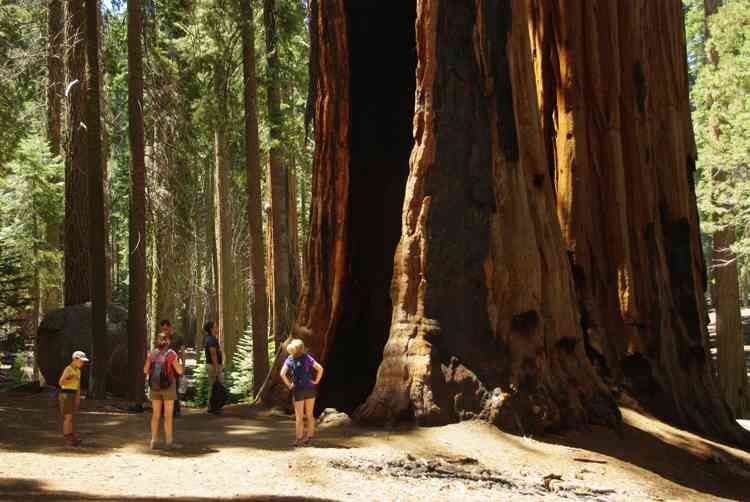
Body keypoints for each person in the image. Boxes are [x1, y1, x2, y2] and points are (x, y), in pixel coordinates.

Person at [280, 339, 324, 446]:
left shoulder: (290, 359)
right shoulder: (307, 357)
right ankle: (309, 437)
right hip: (310, 389)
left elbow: (282, 374)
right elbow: (320, 368)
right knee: (310, 414)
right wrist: (316, 381)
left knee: (299, 416)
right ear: (302, 348)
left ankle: (298, 439)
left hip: (298, 390)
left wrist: (289, 385)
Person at [143, 332, 184, 449]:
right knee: (167, 416)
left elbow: (145, 370)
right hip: (168, 387)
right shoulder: (171, 354)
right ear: (168, 342)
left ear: (157, 341)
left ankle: (153, 441)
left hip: (155, 387)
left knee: (155, 415)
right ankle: (169, 442)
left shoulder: (152, 354)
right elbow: (180, 371)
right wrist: (180, 363)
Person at [58, 351, 89, 447]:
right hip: (66, 394)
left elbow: (78, 386)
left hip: (73, 394)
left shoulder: (78, 371)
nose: (82, 363)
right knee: (67, 418)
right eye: (81, 361)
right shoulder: (68, 369)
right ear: (75, 359)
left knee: (71, 417)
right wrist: (70, 379)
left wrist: (78, 398)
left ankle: (71, 436)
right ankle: (67, 438)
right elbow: (61, 383)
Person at [160, 320, 185, 417]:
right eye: (163, 329)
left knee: (175, 386)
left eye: (166, 329)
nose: (164, 331)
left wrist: (183, 365)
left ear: (170, 327)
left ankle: (176, 410)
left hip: (175, 365)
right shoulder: (161, 338)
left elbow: (182, 352)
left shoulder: (178, 337)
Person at [203, 321, 224, 415]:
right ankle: (212, 407)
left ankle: (214, 406)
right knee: (214, 386)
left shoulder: (211, 339)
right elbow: (213, 354)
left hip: (213, 365)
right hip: (213, 366)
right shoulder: (211, 340)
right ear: (211, 329)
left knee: (214, 386)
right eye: (215, 327)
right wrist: (216, 368)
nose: (217, 328)